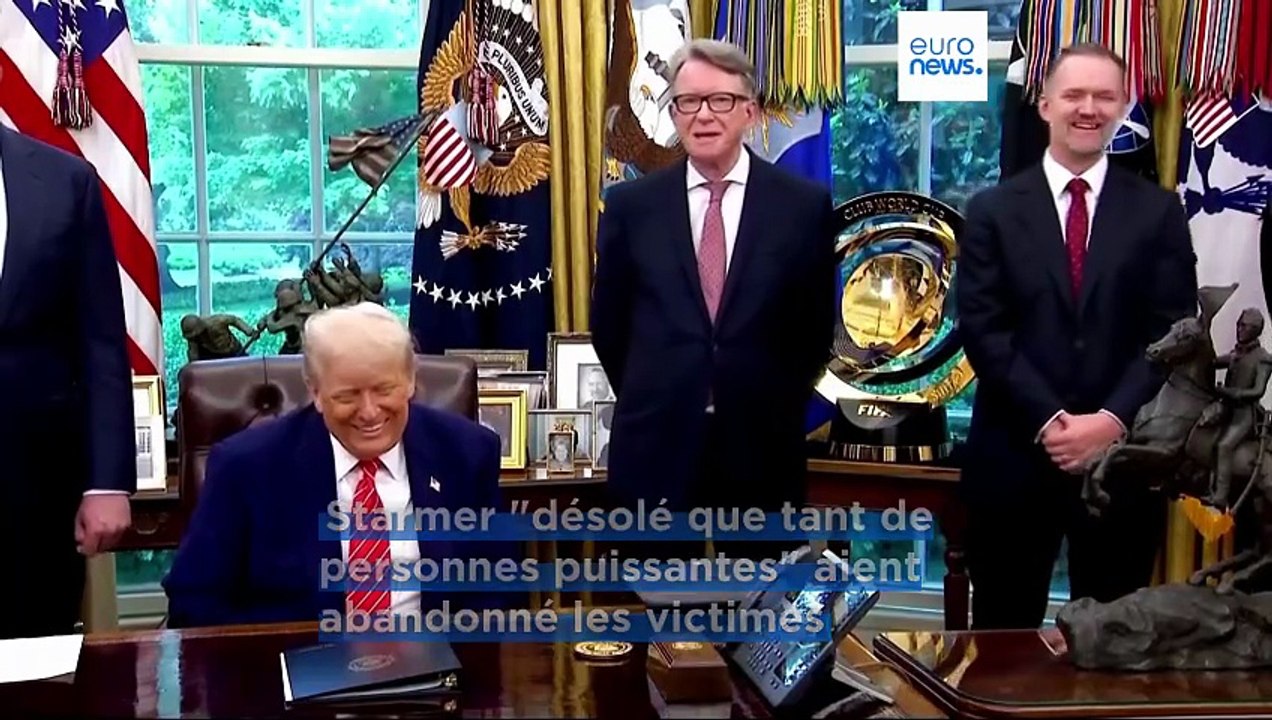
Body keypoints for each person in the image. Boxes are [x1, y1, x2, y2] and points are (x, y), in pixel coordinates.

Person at [954, 43, 1199, 629]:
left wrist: (1109, 422)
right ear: (1045, 105)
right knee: (1003, 642)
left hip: (1123, 467)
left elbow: (1173, 331)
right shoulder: (990, 211)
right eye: (1074, 95)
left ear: (1121, 107)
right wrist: (1052, 422)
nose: (1088, 108)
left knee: (1113, 645)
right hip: (1013, 462)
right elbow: (984, 330)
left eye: (1103, 96)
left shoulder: (1159, 212)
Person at [591, 38, 837, 559]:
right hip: (655, 446)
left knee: (760, 603)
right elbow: (609, 328)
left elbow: (814, 329)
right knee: (656, 603)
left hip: (762, 448)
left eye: (720, 100)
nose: (703, 115)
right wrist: (665, 388)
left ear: (750, 111)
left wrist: (763, 396)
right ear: (674, 113)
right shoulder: (631, 207)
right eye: (688, 101)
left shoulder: (801, 206)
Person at [162, 303, 511, 627]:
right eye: (347, 396)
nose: (369, 412)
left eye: (384, 390)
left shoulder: (466, 452)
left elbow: (493, 588)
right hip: (292, 662)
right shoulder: (246, 467)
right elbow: (194, 603)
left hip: (435, 662)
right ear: (315, 391)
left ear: (410, 381)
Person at [0, 119, 135, 639]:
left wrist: (107, 482)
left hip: (34, 491)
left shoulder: (66, 180)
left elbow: (100, 341)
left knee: (35, 661)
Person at [1200, 308, 1272, 508]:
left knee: (1224, 446)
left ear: (1255, 330)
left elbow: (1257, 391)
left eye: (1244, 326)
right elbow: (1213, 362)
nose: (1239, 329)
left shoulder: (1263, 359)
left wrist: (1231, 393)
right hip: (1226, 407)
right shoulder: (1236, 353)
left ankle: (1220, 495)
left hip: (1243, 413)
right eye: (1239, 325)